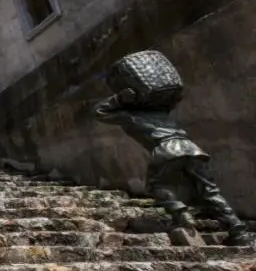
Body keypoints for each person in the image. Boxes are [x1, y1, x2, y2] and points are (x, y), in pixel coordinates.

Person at [95, 82, 250, 247]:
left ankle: (180, 212)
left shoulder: (130, 116)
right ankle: (238, 231)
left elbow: (99, 111)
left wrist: (118, 98)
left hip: (167, 148)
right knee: (209, 191)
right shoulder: (163, 112)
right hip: (191, 148)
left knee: (155, 185)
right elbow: (174, 99)